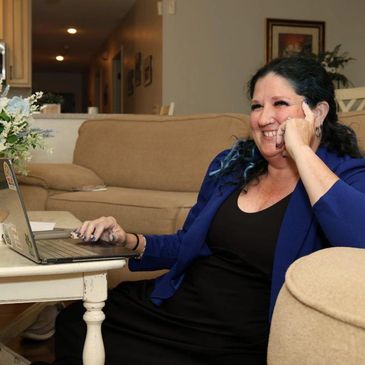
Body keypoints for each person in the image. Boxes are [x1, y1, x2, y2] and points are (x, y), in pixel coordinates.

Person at [33, 56, 365, 365]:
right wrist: (129, 240)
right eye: (256, 106)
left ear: (317, 114)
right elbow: (187, 242)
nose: (264, 118)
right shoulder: (232, 166)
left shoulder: (345, 178)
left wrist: (301, 151)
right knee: (75, 323)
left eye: (280, 103)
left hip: (239, 333)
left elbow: (359, 237)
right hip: (181, 304)